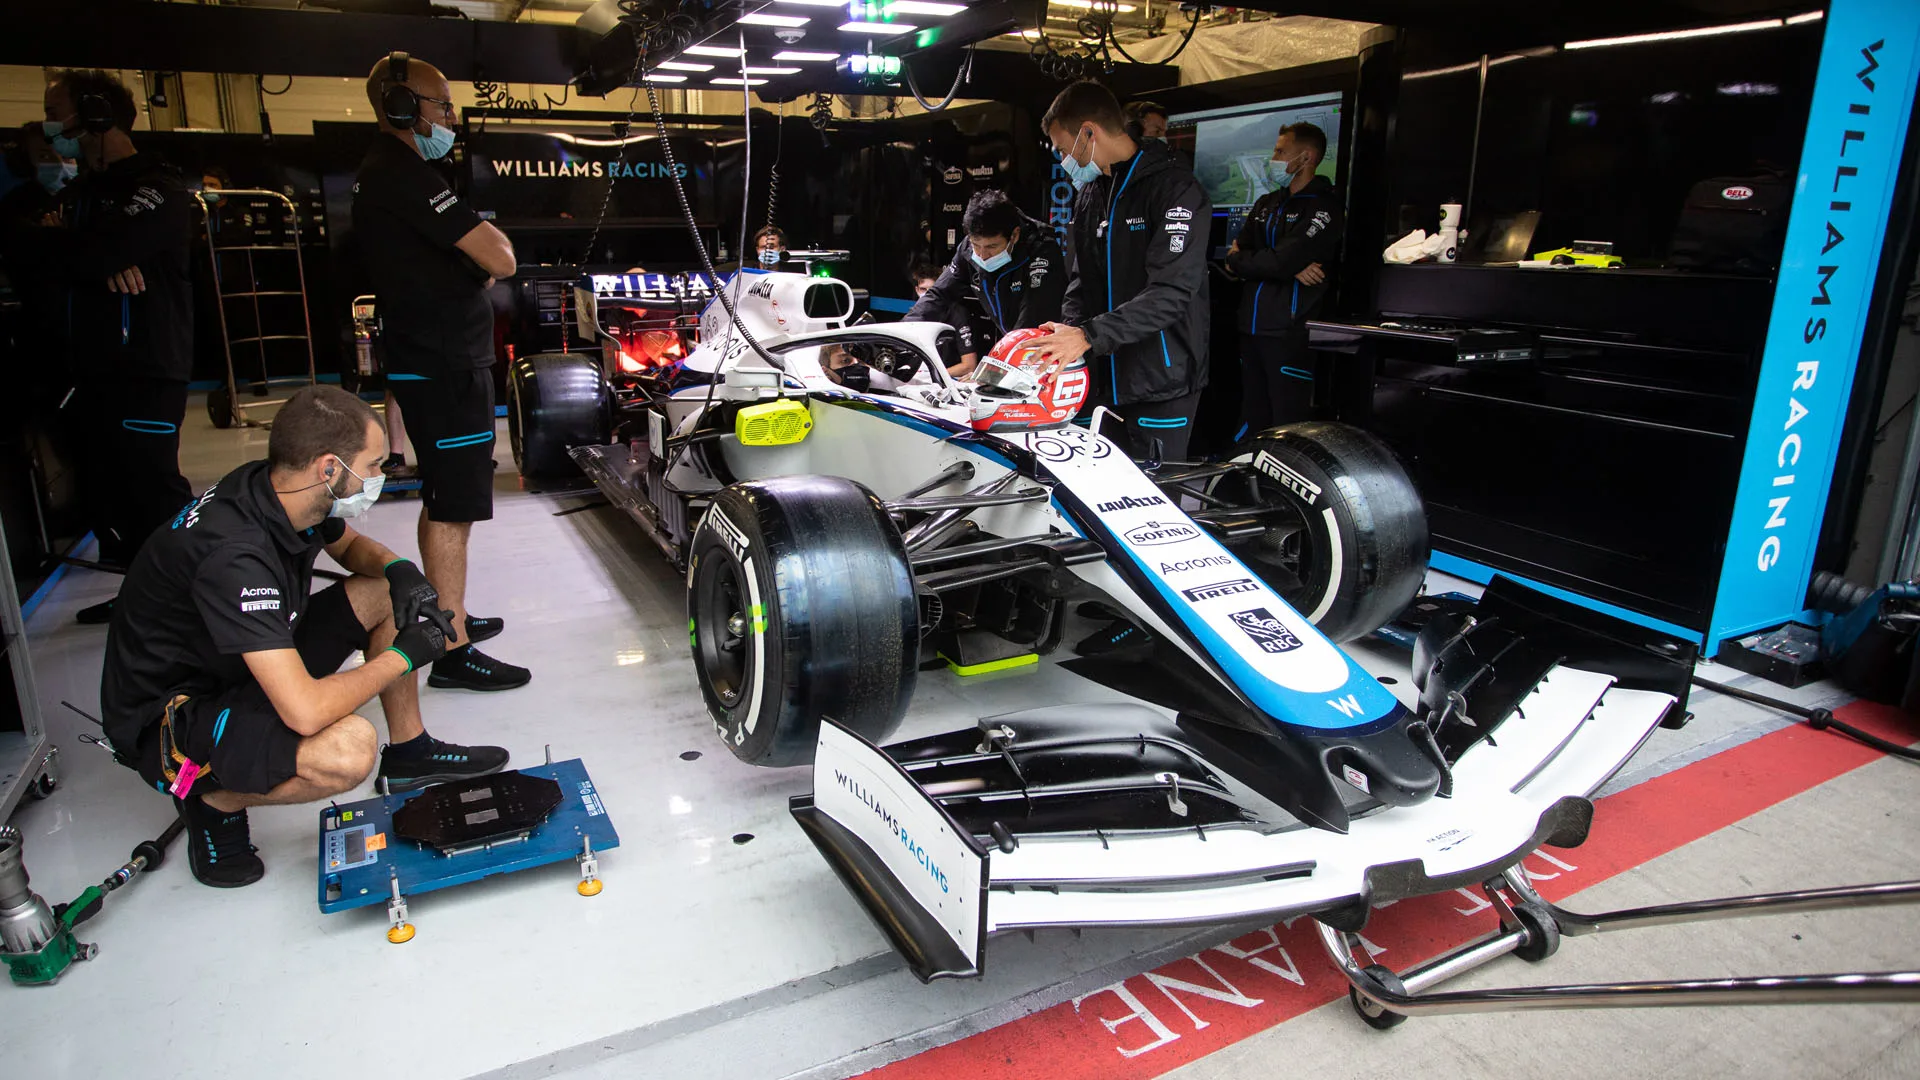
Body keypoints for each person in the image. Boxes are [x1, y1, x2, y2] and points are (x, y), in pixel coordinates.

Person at [99, 386, 510, 888]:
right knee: (348, 751)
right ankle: (212, 800)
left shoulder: (277, 489)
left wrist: (400, 569)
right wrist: (404, 656)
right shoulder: (234, 556)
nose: (380, 477)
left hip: (235, 659)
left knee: (383, 592)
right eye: (375, 465)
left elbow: (350, 544)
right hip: (171, 712)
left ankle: (410, 752)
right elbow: (307, 711)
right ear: (330, 468)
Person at [352, 52, 526, 692]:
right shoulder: (407, 175)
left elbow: (475, 260)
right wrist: (478, 257)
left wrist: (471, 259)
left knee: (444, 497)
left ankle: (449, 617)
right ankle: (450, 652)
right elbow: (500, 258)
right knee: (453, 505)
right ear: (403, 106)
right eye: (441, 104)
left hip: (432, 357)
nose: (450, 117)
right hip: (444, 362)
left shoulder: (388, 173)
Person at [35, 70, 196, 625]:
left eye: (58, 110)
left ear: (96, 114)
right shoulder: (81, 195)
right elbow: (39, 251)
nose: (51, 123)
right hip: (91, 369)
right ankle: (142, 596)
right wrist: (87, 254)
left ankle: (192, 597)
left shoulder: (158, 186)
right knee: (109, 490)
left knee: (154, 488)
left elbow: (93, 253)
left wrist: (86, 253)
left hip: (146, 367)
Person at [1027, 80, 1211, 461]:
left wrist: (1088, 335)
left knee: (1155, 504)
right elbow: (1082, 280)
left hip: (1163, 381)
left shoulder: (1176, 189)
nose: (1064, 159)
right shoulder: (1092, 193)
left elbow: (1171, 292)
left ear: (1088, 133)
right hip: (1103, 379)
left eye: (1063, 148)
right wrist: (1067, 341)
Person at [1221, 121, 1343, 437]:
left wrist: (1269, 262)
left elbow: (1276, 261)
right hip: (1250, 326)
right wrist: (1282, 265)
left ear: (1307, 157)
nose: (1273, 158)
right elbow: (1233, 257)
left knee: (1287, 419)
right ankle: (1241, 477)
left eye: (1280, 151)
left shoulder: (1323, 206)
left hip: (1289, 333)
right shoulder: (1267, 203)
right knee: (1251, 412)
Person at [906, 189, 1065, 381]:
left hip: (1048, 357)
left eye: (991, 247)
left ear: (1014, 235)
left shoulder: (1042, 250)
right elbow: (938, 295)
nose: (982, 254)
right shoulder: (968, 249)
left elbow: (1031, 322)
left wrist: (990, 374)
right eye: (975, 244)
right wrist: (901, 334)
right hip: (1011, 349)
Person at [908, 257, 979, 377]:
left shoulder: (957, 314)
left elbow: (969, 366)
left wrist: (933, 376)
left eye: (932, 290)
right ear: (916, 290)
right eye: (923, 289)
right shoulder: (915, 313)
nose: (928, 295)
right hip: (916, 375)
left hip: (944, 378)